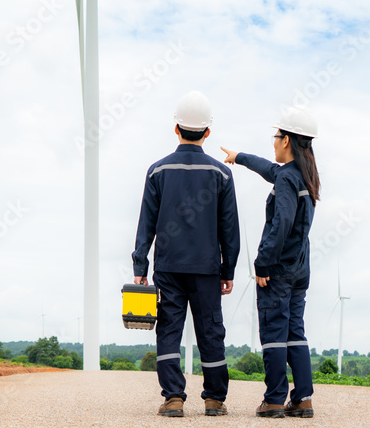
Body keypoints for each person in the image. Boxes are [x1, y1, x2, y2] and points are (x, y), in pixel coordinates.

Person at [132, 91, 240, 418]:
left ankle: (174, 398)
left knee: (168, 331)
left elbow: (145, 223)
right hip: (207, 269)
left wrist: (141, 265)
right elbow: (229, 230)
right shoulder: (221, 174)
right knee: (211, 331)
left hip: (168, 268)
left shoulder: (157, 171)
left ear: (176, 127)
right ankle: (214, 399)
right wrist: (228, 270)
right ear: (208, 132)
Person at [221, 106, 320, 419]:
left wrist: (262, 264)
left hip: (277, 271)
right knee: (295, 333)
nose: (273, 142)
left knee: (274, 334)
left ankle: (275, 399)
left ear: (287, 140)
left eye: (276, 137)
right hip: (299, 269)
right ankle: (303, 398)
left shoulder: (289, 180)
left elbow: (281, 224)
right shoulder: (301, 175)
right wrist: (239, 157)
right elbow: (268, 168)